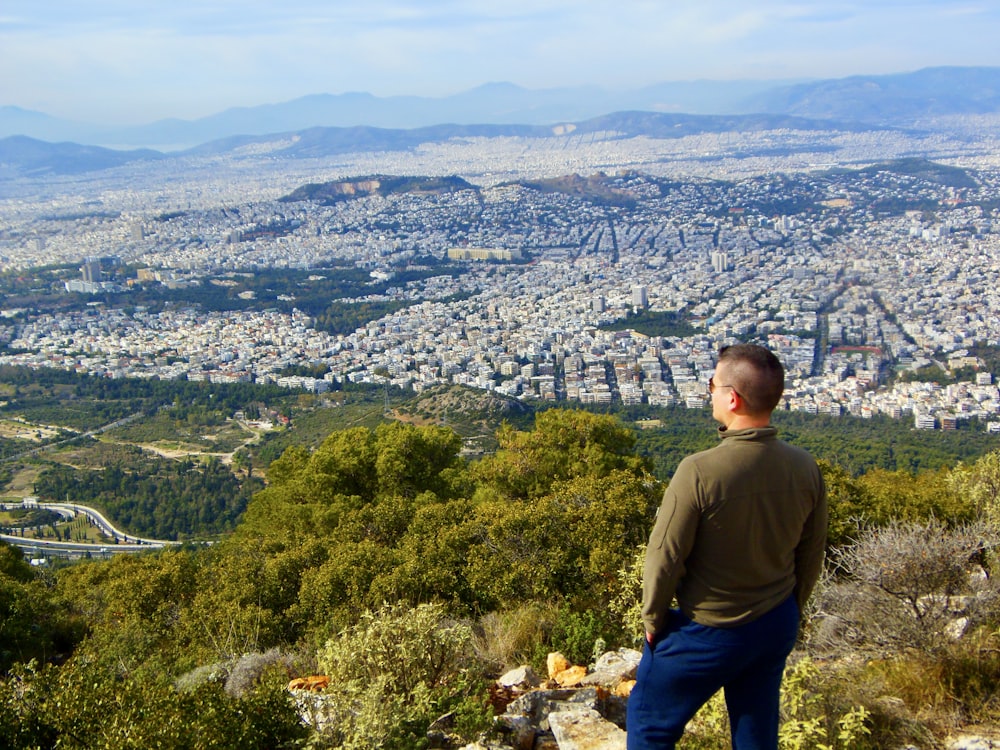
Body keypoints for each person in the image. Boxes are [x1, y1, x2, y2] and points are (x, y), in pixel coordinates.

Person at [626, 343, 828, 750]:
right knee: (756, 733)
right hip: (774, 623)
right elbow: (811, 555)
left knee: (649, 724)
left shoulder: (699, 471)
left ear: (732, 398)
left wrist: (653, 621)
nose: (710, 392)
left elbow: (664, 557)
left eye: (713, 385)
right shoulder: (805, 467)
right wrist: (791, 610)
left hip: (708, 629)